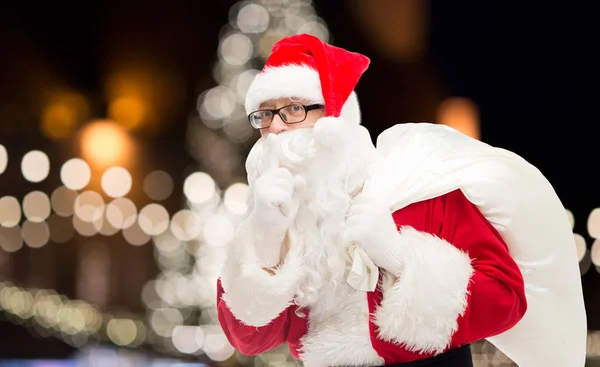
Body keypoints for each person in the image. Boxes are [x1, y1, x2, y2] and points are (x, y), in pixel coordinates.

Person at [216, 34, 587, 367]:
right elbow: (250, 340)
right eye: (265, 115)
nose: (276, 128)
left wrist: (398, 255)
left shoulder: (417, 187)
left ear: (335, 117)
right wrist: (264, 247)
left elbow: (505, 301)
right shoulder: (277, 214)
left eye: (294, 109)